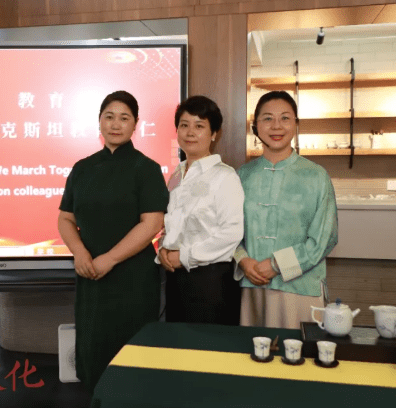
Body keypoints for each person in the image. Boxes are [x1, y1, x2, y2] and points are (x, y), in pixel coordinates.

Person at [57, 91, 169, 392]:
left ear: (135, 125)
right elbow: (65, 219)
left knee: (130, 359)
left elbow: (152, 224)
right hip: (90, 275)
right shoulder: (82, 168)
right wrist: (79, 252)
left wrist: (110, 258)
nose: (115, 124)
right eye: (109, 117)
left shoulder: (146, 168)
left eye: (124, 118)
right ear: (99, 122)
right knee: (93, 354)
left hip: (132, 279)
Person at [234, 90, 338, 329]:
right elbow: (229, 230)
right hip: (253, 287)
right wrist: (243, 260)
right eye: (267, 118)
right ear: (255, 126)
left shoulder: (316, 176)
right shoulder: (242, 175)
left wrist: (276, 265)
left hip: (300, 288)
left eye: (285, 118)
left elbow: (324, 239)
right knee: (254, 349)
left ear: (296, 124)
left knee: (297, 349)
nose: (276, 126)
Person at [158, 95, 244, 324]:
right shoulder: (176, 175)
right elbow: (171, 223)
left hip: (210, 282)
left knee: (207, 344)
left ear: (214, 133)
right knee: (177, 342)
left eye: (199, 126)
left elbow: (232, 233)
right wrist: (163, 248)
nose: (190, 132)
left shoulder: (225, 176)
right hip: (175, 278)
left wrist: (184, 256)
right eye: (184, 125)